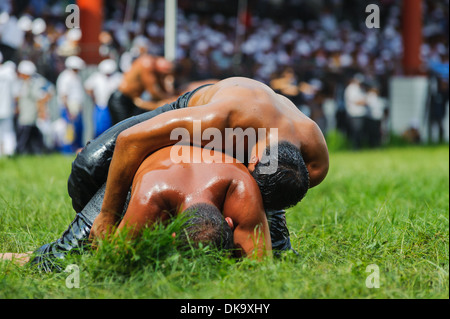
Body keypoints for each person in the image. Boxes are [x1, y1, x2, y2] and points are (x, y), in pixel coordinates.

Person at [69, 76, 329, 255]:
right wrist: (108, 215)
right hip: (197, 110)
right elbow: (130, 142)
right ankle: (85, 234)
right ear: (253, 158)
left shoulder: (315, 162)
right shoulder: (218, 119)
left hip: (244, 141)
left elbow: (276, 190)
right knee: (89, 165)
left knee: (274, 243)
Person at [2, 145, 272, 271]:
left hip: (184, 164)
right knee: (67, 259)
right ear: (229, 222)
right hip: (126, 175)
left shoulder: (243, 187)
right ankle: (17, 257)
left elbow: (260, 268)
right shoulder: (150, 197)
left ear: (229, 222)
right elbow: (110, 260)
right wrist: (107, 219)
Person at [107, 53, 174, 124]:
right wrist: (171, 99)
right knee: (122, 130)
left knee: (132, 128)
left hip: (130, 100)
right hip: (120, 100)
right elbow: (154, 93)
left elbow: (163, 92)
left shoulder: (155, 69)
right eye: (166, 72)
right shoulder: (147, 64)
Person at [15, 60, 51, 155]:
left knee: (25, 139)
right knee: (32, 139)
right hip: (25, 116)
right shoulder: (24, 83)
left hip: (28, 117)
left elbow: (41, 98)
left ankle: (23, 154)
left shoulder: (32, 84)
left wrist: (41, 112)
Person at [84, 59, 122, 137]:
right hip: (101, 106)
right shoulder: (96, 77)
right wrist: (93, 98)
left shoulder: (118, 77)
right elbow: (88, 87)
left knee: (113, 127)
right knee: (99, 128)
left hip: (114, 108)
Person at [56, 55, 86, 153]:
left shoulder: (75, 77)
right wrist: (68, 111)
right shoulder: (65, 77)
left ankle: (76, 149)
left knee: (77, 130)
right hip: (70, 107)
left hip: (76, 107)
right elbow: (64, 95)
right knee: (69, 131)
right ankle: (67, 151)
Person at [0, 55, 17, 157]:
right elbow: (15, 92)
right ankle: (9, 152)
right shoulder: (9, 72)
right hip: (7, 107)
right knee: (8, 131)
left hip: (5, 107)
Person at [344, 74, 367, 149]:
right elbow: (356, 101)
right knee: (356, 132)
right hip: (354, 114)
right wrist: (364, 101)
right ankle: (355, 148)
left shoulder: (359, 88)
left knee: (360, 132)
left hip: (359, 114)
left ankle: (358, 147)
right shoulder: (351, 88)